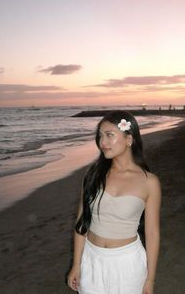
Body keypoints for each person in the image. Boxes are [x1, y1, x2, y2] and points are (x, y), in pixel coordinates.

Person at [67, 110, 161, 294]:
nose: (102, 142)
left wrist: (150, 279)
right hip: (91, 260)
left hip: (128, 263)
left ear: (129, 139)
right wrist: (76, 265)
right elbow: (81, 224)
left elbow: (152, 233)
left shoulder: (149, 182)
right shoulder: (93, 175)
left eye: (109, 135)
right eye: (100, 136)